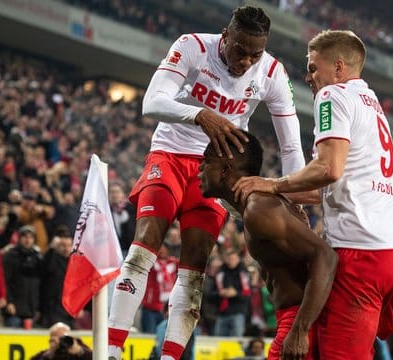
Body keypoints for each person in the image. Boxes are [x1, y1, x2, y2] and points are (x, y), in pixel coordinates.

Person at [108, 6, 305, 359]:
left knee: (195, 266)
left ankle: (170, 356)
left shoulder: (273, 72)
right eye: (239, 50)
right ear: (225, 36)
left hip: (216, 172)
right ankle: (111, 350)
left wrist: (295, 199)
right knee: (144, 244)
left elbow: (291, 146)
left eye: (254, 54)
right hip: (169, 153)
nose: (246, 61)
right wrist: (199, 114)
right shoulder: (193, 46)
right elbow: (151, 102)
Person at [231, 30, 393, 359]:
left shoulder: (333, 96)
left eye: (314, 68)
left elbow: (328, 168)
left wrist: (273, 185)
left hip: (362, 250)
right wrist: (278, 192)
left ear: (339, 68)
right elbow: (331, 185)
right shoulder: (371, 104)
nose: (309, 76)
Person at [198, 131, 337, 359]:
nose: (199, 169)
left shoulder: (258, 208)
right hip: (298, 317)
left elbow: (325, 256)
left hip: (299, 319)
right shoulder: (255, 205)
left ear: (225, 171)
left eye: (206, 162)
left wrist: (300, 330)